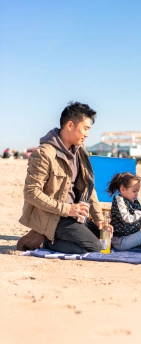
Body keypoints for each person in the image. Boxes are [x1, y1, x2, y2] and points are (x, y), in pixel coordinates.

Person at [17, 101, 106, 254]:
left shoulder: (80, 151)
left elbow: (88, 186)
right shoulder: (44, 153)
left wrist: (99, 218)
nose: (87, 134)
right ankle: (41, 242)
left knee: (104, 237)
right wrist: (68, 209)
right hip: (54, 217)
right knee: (94, 247)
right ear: (70, 125)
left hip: (75, 214)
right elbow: (31, 193)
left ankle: (51, 237)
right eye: (85, 128)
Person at [107, 172, 141, 250]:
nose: (137, 194)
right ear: (123, 189)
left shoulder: (134, 202)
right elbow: (127, 220)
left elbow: (138, 221)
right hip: (121, 241)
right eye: (134, 191)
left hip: (131, 236)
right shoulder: (119, 201)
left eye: (138, 191)